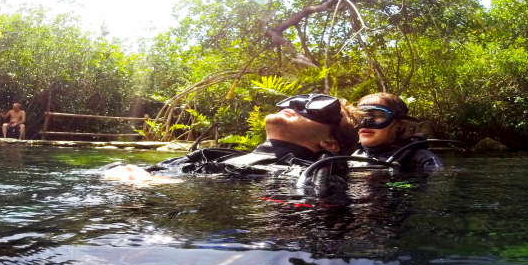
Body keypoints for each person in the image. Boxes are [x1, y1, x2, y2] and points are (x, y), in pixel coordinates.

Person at [102, 94, 359, 182]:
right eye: (299, 100)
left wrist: (158, 185)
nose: (297, 104)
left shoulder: (308, 176)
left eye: (321, 109)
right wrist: (115, 170)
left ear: (330, 143)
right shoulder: (211, 154)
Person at [352, 93, 443, 169]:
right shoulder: (346, 153)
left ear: (400, 125)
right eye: (360, 116)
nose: (365, 122)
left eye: (378, 115)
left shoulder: (422, 159)